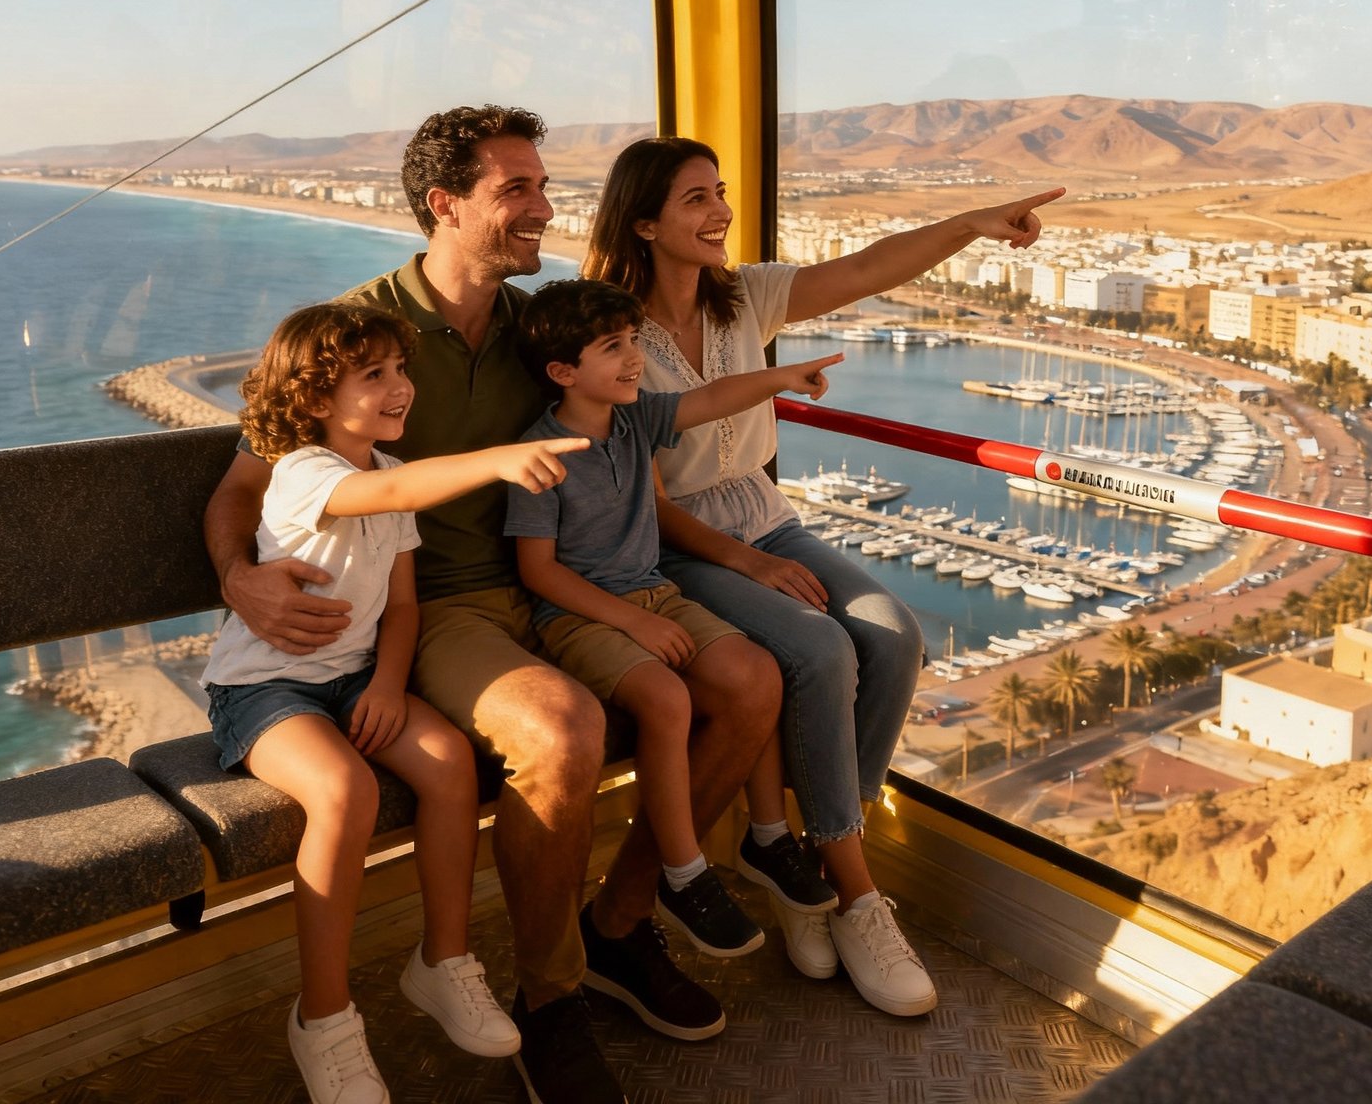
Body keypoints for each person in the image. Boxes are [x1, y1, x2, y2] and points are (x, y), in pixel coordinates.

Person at [205, 107, 782, 1104]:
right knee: (563, 731)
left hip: (567, 584)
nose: (546, 208)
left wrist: (727, 551)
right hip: (442, 604)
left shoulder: (539, 330)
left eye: (544, 186)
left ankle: (619, 924)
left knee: (748, 682)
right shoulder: (360, 337)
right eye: (518, 189)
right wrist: (236, 577)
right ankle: (550, 996)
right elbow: (242, 489)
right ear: (446, 203)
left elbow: (639, 432)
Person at [585, 136, 1063, 1018]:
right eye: (697, 199)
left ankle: (804, 854)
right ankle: (853, 892)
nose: (722, 211)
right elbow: (647, 504)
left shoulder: (743, 298)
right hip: (680, 543)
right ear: (643, 223)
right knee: (818, 650)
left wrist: (969, 225)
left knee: (893, 634)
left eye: (720, 191)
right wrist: (747, 561)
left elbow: (869, 268)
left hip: (765, 514)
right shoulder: (611, 333)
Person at [204, 301, 589, 1104]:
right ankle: (324, 1017)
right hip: (266, 687)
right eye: (373, 375)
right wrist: (495, 460)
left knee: (449, 764)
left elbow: (404, 607)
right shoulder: (307, 472)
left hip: (356, 679)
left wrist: (386, 683)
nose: (400, 386)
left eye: (401, 369)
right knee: (346, 790)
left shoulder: (386, 472)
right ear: (316, 400)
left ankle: (443, 960)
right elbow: (397, 487)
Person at [506, 279, 841, 973]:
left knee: (758, 670)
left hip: (654, 594)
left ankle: (769, 835)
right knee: (667, 699)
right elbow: (540, 573)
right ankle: (684, 873)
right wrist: (632, 619)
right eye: (613, 347)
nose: (634, 358)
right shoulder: (538, 456)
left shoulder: (635, 419)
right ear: (563, 372)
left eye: (634, 341)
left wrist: (782, 377)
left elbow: (712, 399)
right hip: (583, 615)